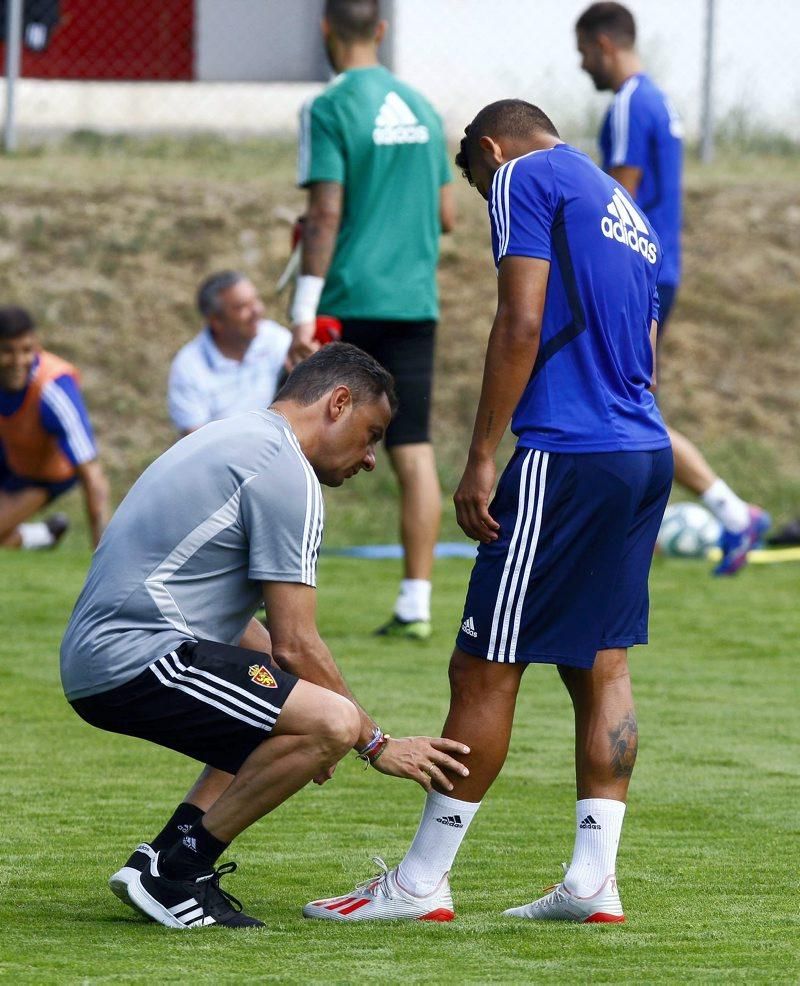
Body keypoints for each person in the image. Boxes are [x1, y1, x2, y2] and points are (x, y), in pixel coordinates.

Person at [303, 100, 672, 924]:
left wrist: (481, 455)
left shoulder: (521, 174)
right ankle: (591, 882)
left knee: (484, 664)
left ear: (487, 149)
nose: (480, 197)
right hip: (642, 449)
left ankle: (422, 882)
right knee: (601, 663)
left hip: (565, 453)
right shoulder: (626, 206)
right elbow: (646, 348)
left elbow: (521, 318)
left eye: (472, 179)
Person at [60, 343, 470, 930]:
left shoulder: (238, 437)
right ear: (339, 402)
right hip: (136, 657)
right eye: (372, 434)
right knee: (330, 719)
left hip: (106, 654)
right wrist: (371, 741)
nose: (373, 458)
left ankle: (161, 859)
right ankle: (179, 878)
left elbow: (249, 629)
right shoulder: (285, 469)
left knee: (305, 712)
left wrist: (299, 712)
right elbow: (297, 642)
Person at [575, 1, 770, 576]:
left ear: (604, 44)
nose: (582, 63)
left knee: (628, 405)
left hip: (637, 279)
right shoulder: (660, 99)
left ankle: (729, 512)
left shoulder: (632, 102)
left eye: (584, 50)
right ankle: (653, 522)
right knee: (629, 403)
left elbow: (618, 202)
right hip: (661, 272)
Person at [290, 0, 456, 639]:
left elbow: (326, 212)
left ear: (325, 29)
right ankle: (416, 603)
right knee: (412, 450)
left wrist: (304, 306)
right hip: (413, 301)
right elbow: (446, 215)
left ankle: (279, 597)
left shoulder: (326, 106)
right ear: (381, 32)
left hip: (350, 298)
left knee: (304, 444)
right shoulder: (422, 107)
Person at [0, 305, 109, 549]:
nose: (18, 361)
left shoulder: (53, 389)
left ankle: (42, 535)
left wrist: (102, 556)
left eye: (26, 350)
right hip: (10, 454)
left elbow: (92, 475)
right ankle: (46, 535)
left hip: (41, 475)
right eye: (7, 351)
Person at [167, 271, 291, 436]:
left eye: (256, 300)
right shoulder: (188, 368)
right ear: (216, 321)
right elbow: (196, 442)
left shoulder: (274, 338)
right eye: (242, 307)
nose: (257, 310)